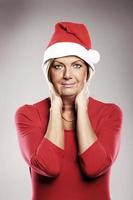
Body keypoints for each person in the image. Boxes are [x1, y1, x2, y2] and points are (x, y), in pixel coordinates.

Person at [15, 21, 123, 200]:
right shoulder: (28, 114)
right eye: (58, 66)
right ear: (48, 73)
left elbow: (94, 167)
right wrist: (56, 104)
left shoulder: (109, 113)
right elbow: (48, 166)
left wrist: (81, 106)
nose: (67, 74)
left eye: (77, 65)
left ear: (88, 72)